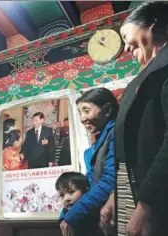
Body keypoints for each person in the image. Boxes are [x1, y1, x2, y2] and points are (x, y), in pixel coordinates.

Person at [100, 2, 168, 236]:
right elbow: (130, 152)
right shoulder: (150, 73)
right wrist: (116, 194)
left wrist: (147, 205)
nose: (126, 48)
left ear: (151, 25)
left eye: (126, 35)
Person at [59, 88, 119, 236]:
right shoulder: (100, 141)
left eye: (86, 110)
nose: (82, 118)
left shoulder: (116, 133)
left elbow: (109, 181)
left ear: (107, 110)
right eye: (80, 113)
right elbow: (89, 183)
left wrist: (72, 216)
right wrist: (66, 213)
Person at [56, 172, 101, 236]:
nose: (66, 198)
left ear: (86, 191)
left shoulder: (94, 215)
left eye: (71, 192)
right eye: (62, 195)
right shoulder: (65, 218)